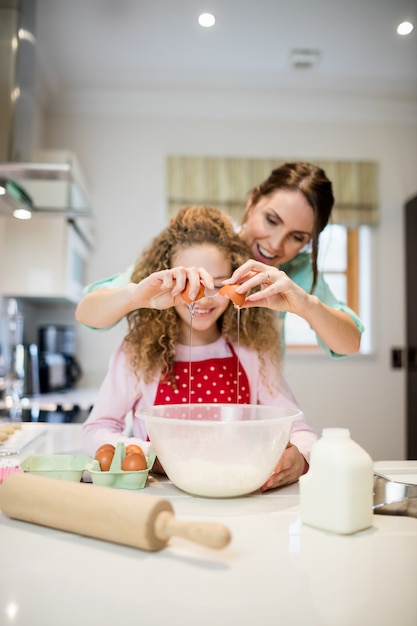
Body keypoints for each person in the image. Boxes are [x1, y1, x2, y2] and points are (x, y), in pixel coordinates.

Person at [82, 206, 317, 490]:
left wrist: (300, 458)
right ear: (167, 283)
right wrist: (148, 455)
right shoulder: (137, 352)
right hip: (162, 495)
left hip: (237, 492)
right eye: (190, 284)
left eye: (217, 284)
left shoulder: (252, 353)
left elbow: (301, 431)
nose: (203, 299)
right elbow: (97, 430)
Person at [75, 162, 363, 358]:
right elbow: (87, 313)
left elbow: (349, 343)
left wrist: (306, 304)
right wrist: (136, 296)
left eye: (297, 237)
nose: (276, 245)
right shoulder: (203, 248)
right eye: (271, 220)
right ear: (252, 202)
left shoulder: (295, 274)